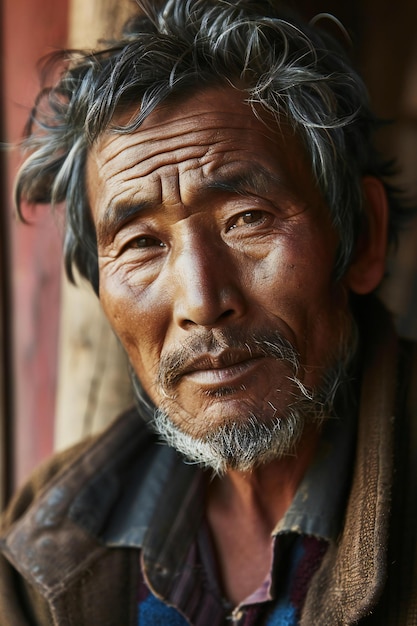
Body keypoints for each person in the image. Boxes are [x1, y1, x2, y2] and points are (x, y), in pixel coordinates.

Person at [1, 1, 416, 624]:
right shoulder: (48, 534)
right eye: (142, 243)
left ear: (362, 237)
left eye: (248, 219)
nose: (202, 302)